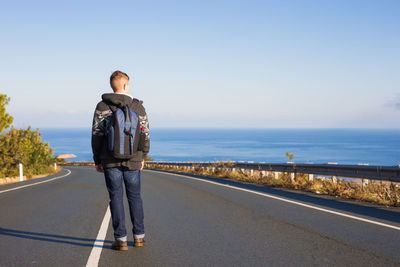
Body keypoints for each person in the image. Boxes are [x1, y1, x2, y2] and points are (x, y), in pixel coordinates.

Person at [91, 70, 150, 251]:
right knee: (135, 197)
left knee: (115, 197)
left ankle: (121, 240)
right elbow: (145, 133)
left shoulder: (102, 106)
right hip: (133, 159)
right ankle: (139, 237)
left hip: (110, 160)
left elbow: (97, 135)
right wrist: (143, 156)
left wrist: (97, 160)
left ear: (113, 86)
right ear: (126, 85)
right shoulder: (138, 106)